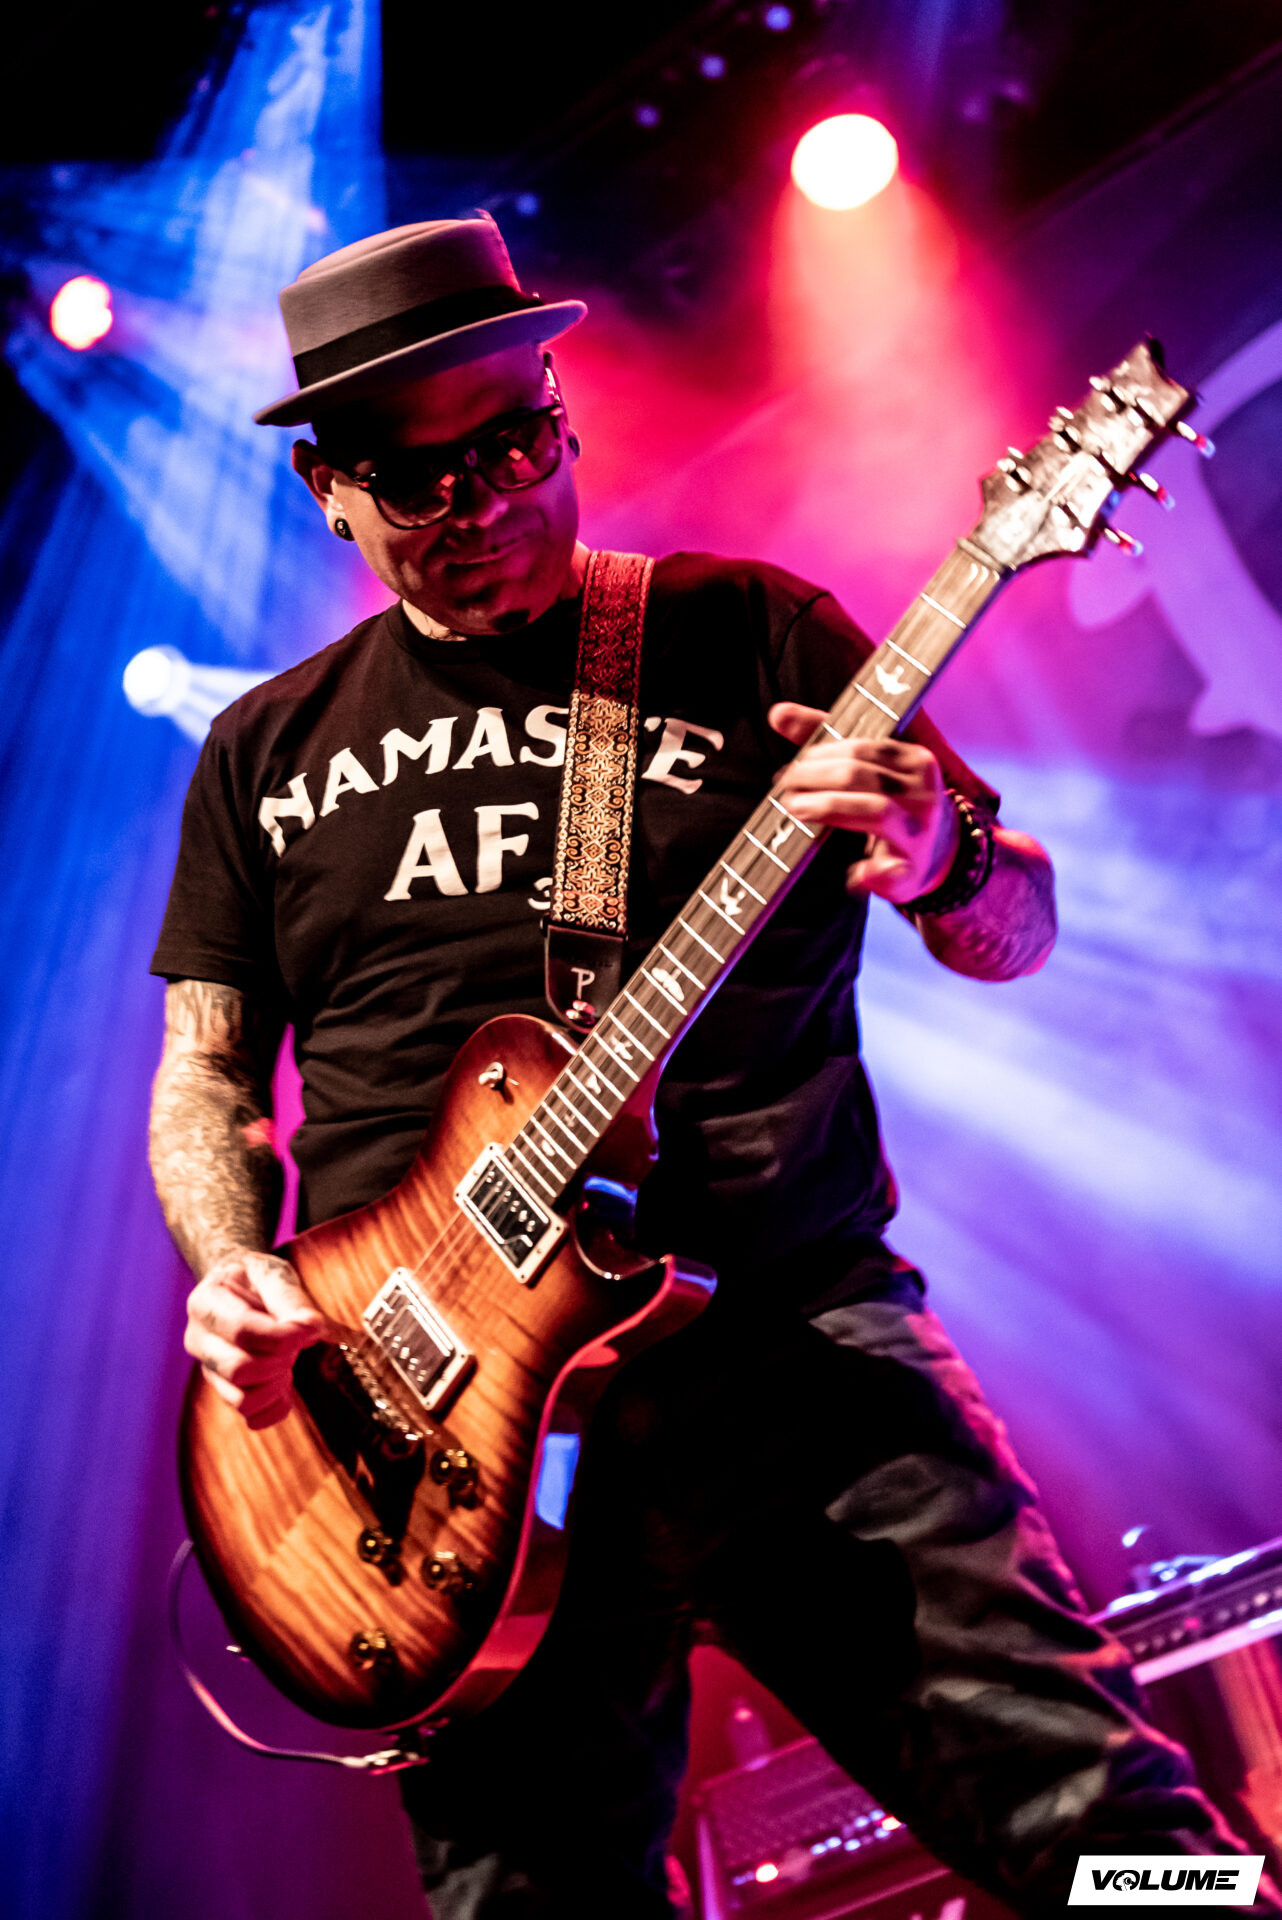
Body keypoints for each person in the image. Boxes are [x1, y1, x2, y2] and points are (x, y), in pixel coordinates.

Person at [148, 216, 1277, 1919]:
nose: (480, 505)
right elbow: (208, 1076)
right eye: (418, 479)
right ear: (329, 487)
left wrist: (943, 857)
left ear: (559, 415)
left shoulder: (746, 631)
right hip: (431, 1439)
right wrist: (234, 1270)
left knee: (1107, 1840)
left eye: (510, 448)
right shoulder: (261, 750)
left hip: (795, 1366)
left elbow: (1017, 926)